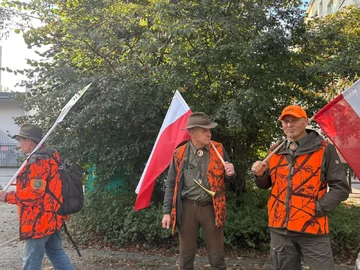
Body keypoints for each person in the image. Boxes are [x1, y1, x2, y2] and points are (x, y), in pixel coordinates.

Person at [251, 105, 350, 270]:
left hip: (312, 227)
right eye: (285, 121)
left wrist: (318, 208)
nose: (289, 125)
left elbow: (340, 187)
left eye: (294, 120)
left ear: (305, 121)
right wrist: (260, 175)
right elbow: (265, 184)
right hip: (280, 229)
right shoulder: (275, 150)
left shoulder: (324, 149)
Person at [162, 112, 236, 270]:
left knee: (217, 256)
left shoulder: (219, 149)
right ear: (192, 133)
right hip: (187, 208)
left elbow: (229, 177)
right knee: (186, 255)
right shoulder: (179, 154)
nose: (209, 133)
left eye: (209, 130)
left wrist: (231, 173)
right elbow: (170, 185)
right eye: (204, 130)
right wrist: (166, 212)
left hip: (212, 208)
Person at [0, 124, 74, 270]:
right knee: (56, 253)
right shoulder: (52, 156)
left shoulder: (38, 163)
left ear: (29, 141)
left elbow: (34, 194)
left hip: (38, 222)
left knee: (31, 263)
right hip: (52, 217)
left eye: (21, 140)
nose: (19, 145)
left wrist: (7, 196)